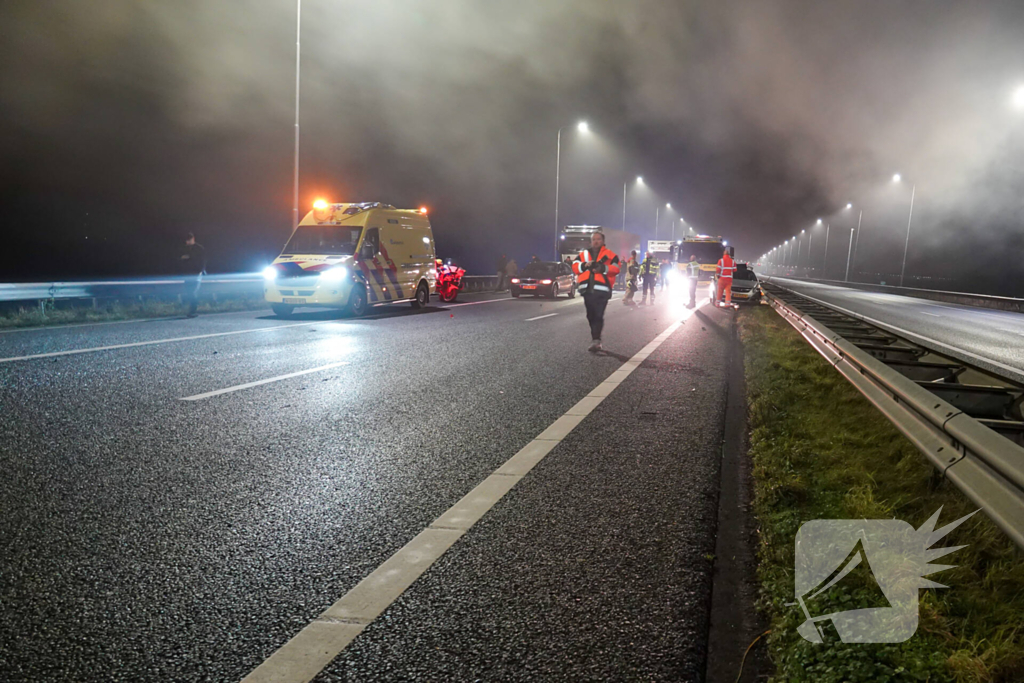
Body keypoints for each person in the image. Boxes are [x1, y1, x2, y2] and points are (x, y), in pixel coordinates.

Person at [572, 231, 620, 352]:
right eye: (594, 239)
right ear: (591, 241)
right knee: (590, 315)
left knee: (598, 315)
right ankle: (595, 338)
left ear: (603, 241)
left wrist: (603, 268)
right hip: (587, 290)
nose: (596, 241)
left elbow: (617, 268)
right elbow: (574, 266)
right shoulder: (584, 254)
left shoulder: (610, 255)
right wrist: (584, 265)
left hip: (602, 291)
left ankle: (596, 340)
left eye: (598, 239)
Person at [180, 232, 206, 318]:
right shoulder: (185, 248)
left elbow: (202, 262)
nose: (187, 243)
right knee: (189, 292)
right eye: (186, 241)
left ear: (193, 239)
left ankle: (192, 311)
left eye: (188, 240)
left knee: (192, 292)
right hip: (187, 274)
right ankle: (191, 310)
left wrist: (200, 271)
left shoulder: (199, 248)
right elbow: (180, 259)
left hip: (196, 274)